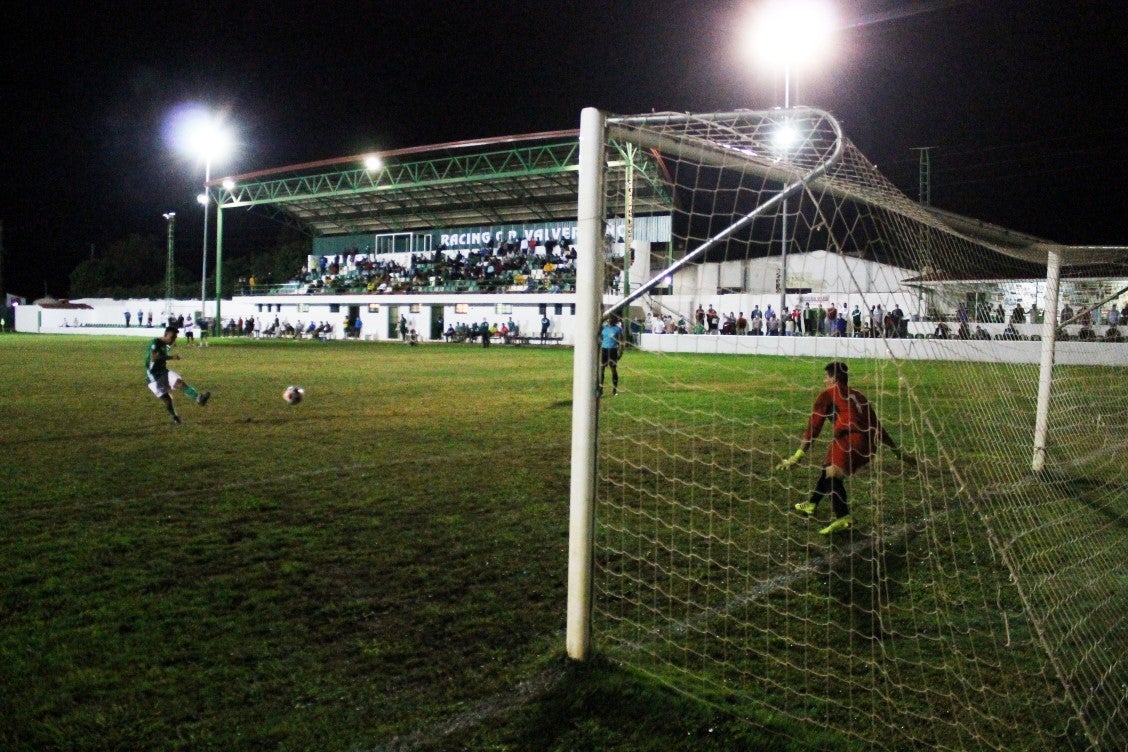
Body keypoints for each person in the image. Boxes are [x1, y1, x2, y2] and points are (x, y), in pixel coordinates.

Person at [776, 361, 914, 535]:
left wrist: (797, 455)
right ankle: (812, 503)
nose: (823, 381)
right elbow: (876, 425)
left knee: (833, 474)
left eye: (826, 377)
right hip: (869, 444)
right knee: (828, 468)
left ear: (834, 378)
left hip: (851, 438)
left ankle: (843, 516)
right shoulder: (859, 395)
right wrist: (896, 451)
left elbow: (814, 427)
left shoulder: (828, 394)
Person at [145, 326, 210, 424]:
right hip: (153, 377)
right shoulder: (155, 342)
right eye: (172, 337)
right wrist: (172, 357)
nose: (173, 340)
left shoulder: (165, 344)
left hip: (163, 372)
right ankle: (175, 417)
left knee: (179, 382)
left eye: (175, 338)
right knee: (167, 400)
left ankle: (199, 398)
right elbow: (154, 357)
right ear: (166, 334)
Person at [600, 315, 624, 396]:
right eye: (608, 318)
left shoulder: (617, 329)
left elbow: (621, 342)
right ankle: (600, 390)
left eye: (611, 318)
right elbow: (600, 338)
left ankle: (614, 389)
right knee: (601, 370)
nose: (609, 320)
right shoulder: (603, 328)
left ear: (614, 320)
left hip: (613, 350)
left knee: (613, 370)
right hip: (604, 350)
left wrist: (620, 352)